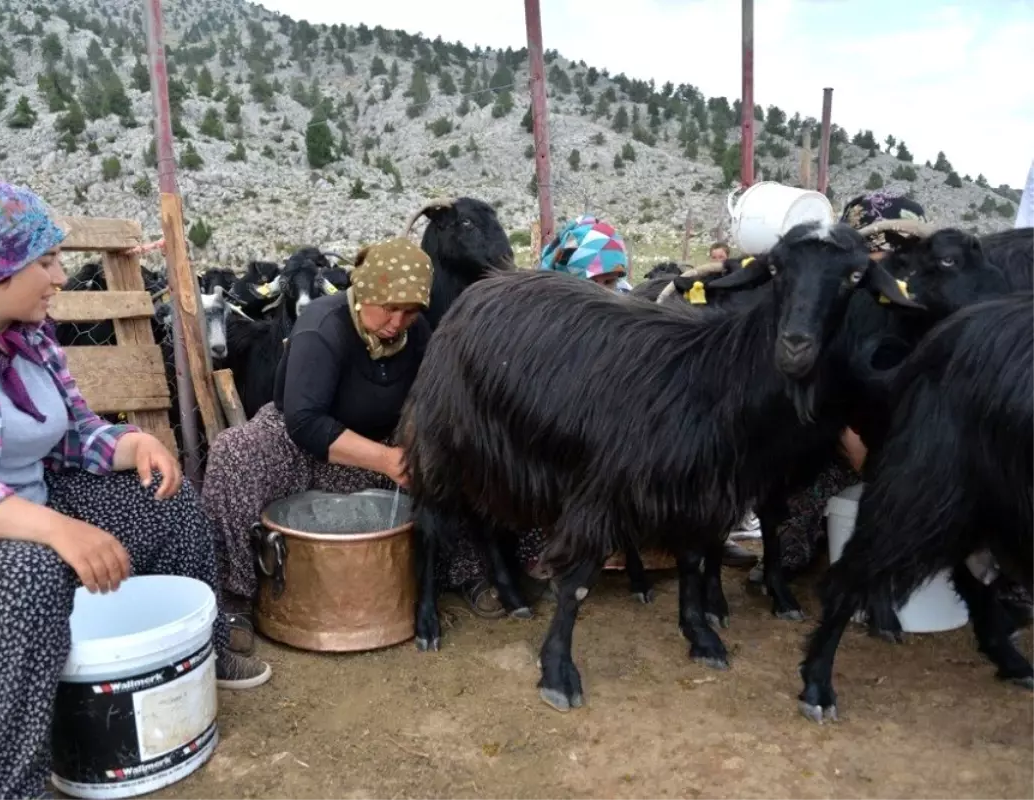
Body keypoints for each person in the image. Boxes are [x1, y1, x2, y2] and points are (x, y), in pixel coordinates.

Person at [0, 182, 265, 800]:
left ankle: (201, 649)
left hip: (31, 516)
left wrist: (130, 445)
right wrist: (57, 530)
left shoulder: (29, 336)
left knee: (162, 499)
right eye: (45, 262)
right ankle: (6, 786)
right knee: (28, 570)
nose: (61, 276)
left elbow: (70, 436)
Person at [203, 237, 545, 628]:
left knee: (469, 453)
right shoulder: (321, 327)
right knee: (234, 451)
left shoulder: (416, 336)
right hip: (298, 450)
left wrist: (424, 447)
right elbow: (305, 422)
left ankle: (471, 571)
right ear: (365, 293)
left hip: (383, 445)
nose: (397, 323)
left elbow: (433, 398)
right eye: (389, 309)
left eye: (411, 312)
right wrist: (387, 460)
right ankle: (234, 599)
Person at [538, 216, 758, 568]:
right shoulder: (549, 327)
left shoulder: (628, 311)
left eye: (614, 280)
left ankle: (696, 537)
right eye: (600, 282)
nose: (611, 291)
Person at [749, 190, 929, 584]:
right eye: (880, 252)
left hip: (916, 442)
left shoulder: (923, 306)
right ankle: (789, 555)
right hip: (842, 438)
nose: (895, 264)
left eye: (905, 253)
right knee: (800, 494)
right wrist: (853, 443)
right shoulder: (830, 303)